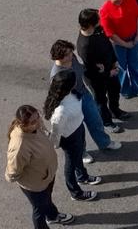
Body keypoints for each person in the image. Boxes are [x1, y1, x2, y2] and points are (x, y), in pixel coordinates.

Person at [6, 104, 73, 228]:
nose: (38, 122)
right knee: (39, 210)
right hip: (35, 184)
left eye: (38, 117)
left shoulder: (35, 126)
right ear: (23, 124)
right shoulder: (19, 146)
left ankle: (52, 216)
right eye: (33, 122)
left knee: (46, 200)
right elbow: (13, 172)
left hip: (46, 176)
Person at [49, 38, 122, 152]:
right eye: (67, 54)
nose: (71, 55)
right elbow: (57, 94)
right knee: (78, 129)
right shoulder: (57, 74)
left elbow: (80, 68)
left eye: (71, 52)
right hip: (71, 101)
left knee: (95, 120)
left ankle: (104, 143)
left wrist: (94, 67)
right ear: (59, 56)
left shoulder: (72, 58)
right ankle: (82, 152)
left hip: (84, 94)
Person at [42, 69, 100, 203]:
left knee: (78, 155)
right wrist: (55, 144)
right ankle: (75, 193)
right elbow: (56, 133)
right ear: (69, 85)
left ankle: (82, 176)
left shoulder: (72, 93)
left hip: (78, 129)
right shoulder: (60, 111)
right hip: (69, 138)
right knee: (70, 165)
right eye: (74, 80)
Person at [76, 9, 128, 132]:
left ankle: (115, 110)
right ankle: (107, 122)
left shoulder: (98, 30)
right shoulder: (85, 46)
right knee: (101, 100)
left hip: (109, 68)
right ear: (90, 24)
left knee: (115, 90)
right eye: (98, 19)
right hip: (97, 79)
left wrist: (114, 61)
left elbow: (108, 45)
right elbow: (92, 70)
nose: (101, 20)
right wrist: (108, 73)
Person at [98, 0, 138, 99]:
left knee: (135, 64)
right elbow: (110, 34)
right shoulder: (105, 10)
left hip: (133, 37)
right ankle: (124, 90)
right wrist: (126, 44)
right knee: (122, 67)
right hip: (118, 43)